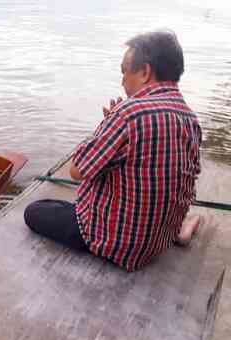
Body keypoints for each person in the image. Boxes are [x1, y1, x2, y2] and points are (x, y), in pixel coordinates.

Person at [25, 30, 202, 272]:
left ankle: (159, 235)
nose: (122, 81)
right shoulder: (190, 118)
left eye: (124, 72)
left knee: (36, 210)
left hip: (118, 244)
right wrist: (113, 128)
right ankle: (178, 232)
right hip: (158, 241)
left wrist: (104, 127)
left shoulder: (129, 112)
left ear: (145, 72)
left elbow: (77, 170)